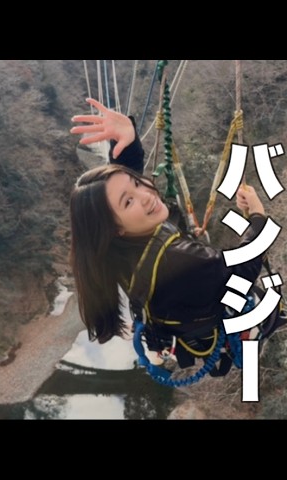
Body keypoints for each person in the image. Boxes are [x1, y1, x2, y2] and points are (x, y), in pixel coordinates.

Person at [69, 98, 274, 372]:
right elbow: (244, 266)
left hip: (176, 317)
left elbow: (118, 191)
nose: (145, 194)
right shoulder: (183, 262)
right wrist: (258, 215)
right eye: (128, 201)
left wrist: (128, 143)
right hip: (211, 316)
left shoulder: (114, 248)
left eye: (137, 184)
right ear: (114, 228)